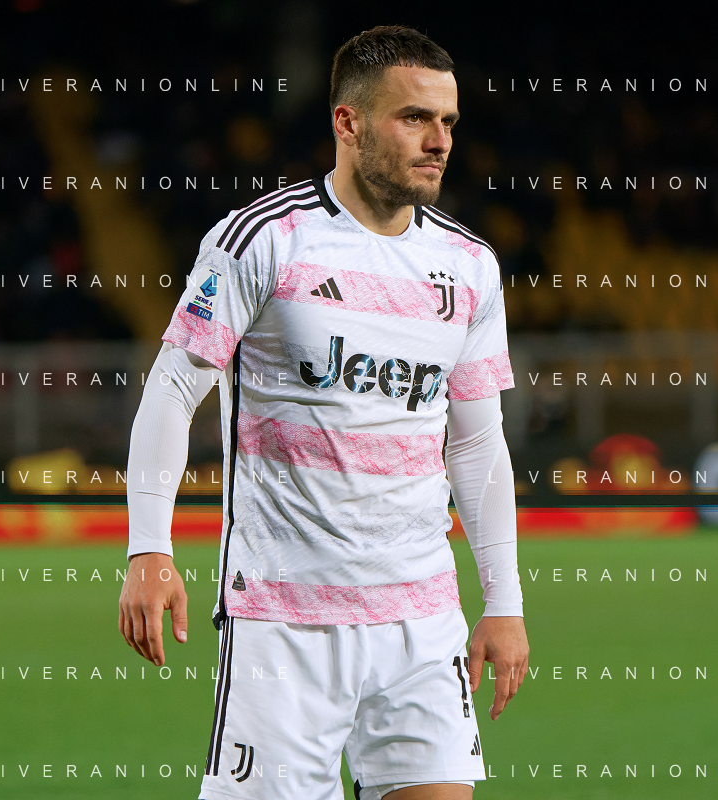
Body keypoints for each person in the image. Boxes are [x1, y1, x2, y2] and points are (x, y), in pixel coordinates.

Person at [118, 25, 528, 800]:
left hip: (422, 617)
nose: (438, 141)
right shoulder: (261, 240)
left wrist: (502, 603)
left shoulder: (469, 266)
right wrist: (149, 549)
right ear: (347, 122)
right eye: (414, 118)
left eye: (447, 121)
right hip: (284, 619)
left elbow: (475, 445)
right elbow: (172, 390)